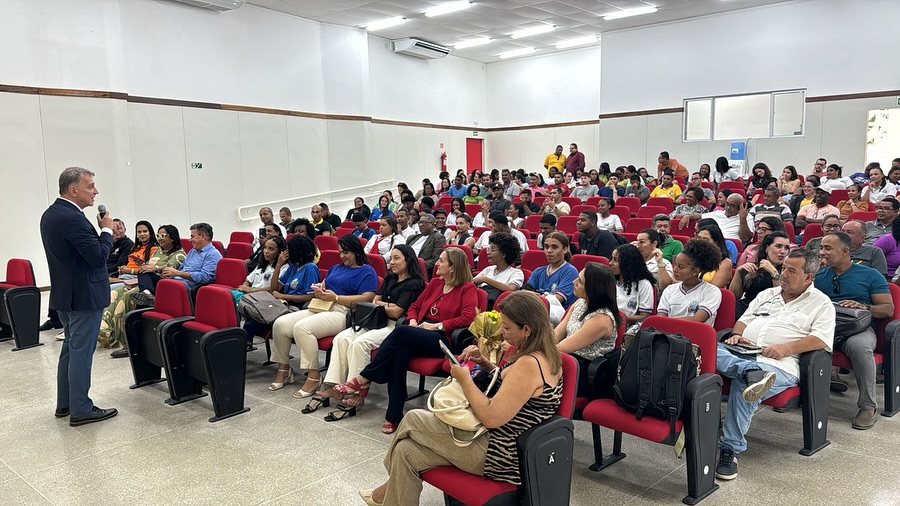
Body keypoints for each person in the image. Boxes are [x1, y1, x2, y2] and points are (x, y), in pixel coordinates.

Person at [359, 291, 561, 505]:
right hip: (499, 443)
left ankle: (384, 492)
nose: (502, 332)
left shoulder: (529, 364)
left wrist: (465, 379)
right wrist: (485, 363)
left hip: (499, 453)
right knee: (405, 451)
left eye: (507, 327)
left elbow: (492, 417)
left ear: (527, 329)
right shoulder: (543, 353)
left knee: (413, 419)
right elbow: (513, 388)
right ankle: (387, 494)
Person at [715, 248, 835, 481]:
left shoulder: (821, 304)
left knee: (746, 385)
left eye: (792, 271)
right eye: (783, 269)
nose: (784, 275)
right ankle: (748, 372)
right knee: (701, 350)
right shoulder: (767, 294)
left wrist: (785, 348)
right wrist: (737, 335)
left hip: (780, 364)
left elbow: (821, 339)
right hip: (742, 353)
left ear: (809, 277)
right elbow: (743, 321)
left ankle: (730, 449)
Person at [334, 248, 477, 435]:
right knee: (399, 351)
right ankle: (393, 416)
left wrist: (437, 326)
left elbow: (467, 317)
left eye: (441, 261)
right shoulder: (435, 283)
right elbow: (415, 306)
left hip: (442, 338)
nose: (437, 264)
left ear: (452, 267)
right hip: (418, 332)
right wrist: (413, 321)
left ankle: (363, 377)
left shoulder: (467, 288)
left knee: (400, 332)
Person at [308, 245, 427, 419]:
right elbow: (375, 300)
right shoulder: (390, 278)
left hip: (394, 326)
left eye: (396, 258)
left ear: (408, 260)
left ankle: (358, 393)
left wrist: (383, 306)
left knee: (360, 343)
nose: (391, 263)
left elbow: (397, 312)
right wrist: (387, 305)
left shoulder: (415, 284)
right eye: (391, 259)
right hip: (374, 319)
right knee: (341, 338)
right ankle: (335, 386)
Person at [40, 167, 118, 426]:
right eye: (91, 186)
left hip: (65, 293)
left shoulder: (51, 214)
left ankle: (66, 403)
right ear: (73, 190)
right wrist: (106, 231)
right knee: (81, 352)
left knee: (70, 349)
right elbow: (97, 257)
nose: (95, 191)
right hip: (84, 296)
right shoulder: (73, 218)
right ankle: (82, 408)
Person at [268, 235, 378, 397]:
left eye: (346, 252)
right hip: (322, 306)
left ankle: (313, 376)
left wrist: (336, 297)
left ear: (356, 251)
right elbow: (325, 285)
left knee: (302, 328)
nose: (342, 256)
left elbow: (367, 298)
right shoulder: (336, 268)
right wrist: (319, 288)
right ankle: (284, 369)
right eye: (340, 252)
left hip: (343, 311)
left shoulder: (367, 271)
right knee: (281, 324)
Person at [815, 232, 894, 430]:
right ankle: (798, 393)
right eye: (821, 247)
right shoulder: (819, 275)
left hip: (859, 329)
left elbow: (887, 309)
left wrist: (863, 306)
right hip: (826, 326)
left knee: (859, 347)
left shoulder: (870, 275)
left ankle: (868, 406)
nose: (822, 252)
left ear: (845, 251)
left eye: (827, 248)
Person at [102, 225, 187, 357]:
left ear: (173, 238)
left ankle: (126, 343)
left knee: (127, 298)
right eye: (158, 235)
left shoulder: (179, 253)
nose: (160, 239)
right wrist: (142, 268)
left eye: (163, 236)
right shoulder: (157, 251)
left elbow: (170, 268)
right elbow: (145, 268)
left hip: (159, 285)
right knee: (113, 294)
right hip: (143, 281)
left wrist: (153, 268)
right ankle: (105, 333)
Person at [555, 262, 620, 396]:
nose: (574, 282)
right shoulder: (580, 302)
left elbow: (562, 347)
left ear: (592, 288)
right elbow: (556, 334)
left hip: (585, 371)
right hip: (567, 359)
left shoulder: (602, 319)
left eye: (580, 281)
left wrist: (531, 348)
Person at [657, 239, 723, 326]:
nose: (675, 269)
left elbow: (698, 319)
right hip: (668, 335)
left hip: (694, 336)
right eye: (675, 264)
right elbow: (660, 318)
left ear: (695, 271)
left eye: (680, 267)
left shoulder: (712, 291)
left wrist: (667, 321)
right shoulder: (670, 290)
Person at [237, 235, 290, 343]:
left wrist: (250, 290)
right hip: (250, 296)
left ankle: (240, 342)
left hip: (264, 299)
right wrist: (245, 287)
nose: (266, 251)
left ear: (280, 252)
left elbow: (273, 289)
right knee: (226, 297)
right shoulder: (261, 265)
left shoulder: (284, 268)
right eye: (265, 248)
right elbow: (248, 280)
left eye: (271, 249)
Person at [730, 231, 790, 319]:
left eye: (786, 248)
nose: (783, 251)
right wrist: (738, 273)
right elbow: (734, 296)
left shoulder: (788, 272)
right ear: (766, 248)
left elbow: (781, 298)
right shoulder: (753, 268)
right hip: (746, 307)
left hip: (770, 311)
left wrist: (774, 272)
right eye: (778, 246)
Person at [524, 232, 579, 323]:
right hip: (536, 313)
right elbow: (524, 292)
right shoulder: (538, 271)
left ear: (565, 250)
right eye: (546, 247)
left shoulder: (570, 271)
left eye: (554, 247)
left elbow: (556, 300)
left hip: (559, 319)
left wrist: (534, 296)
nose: (549, 251)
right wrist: (541, 296)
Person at [160, 223, 221, 290]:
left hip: (190, 287)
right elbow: (181, 267)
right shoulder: (193, 251)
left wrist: (177, 273)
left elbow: (204, 277)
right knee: (150, 276)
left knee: (162, 286)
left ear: (203, 236)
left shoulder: (213, 254)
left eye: (192, 237)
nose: (190, 240)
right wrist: (171, 275)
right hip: (177, 281)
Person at [609, 244, 655, 332]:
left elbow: (645, 316)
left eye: (616, 260)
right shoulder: (610, 280)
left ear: (628, 263)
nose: (610, 263)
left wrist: (620, 318)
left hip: (628, 327)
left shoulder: (643, 284)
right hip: (606, 323)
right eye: (611, 259)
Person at [473, 232, 524, 309]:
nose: (488, 253)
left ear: (503, 254)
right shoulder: (488, 270)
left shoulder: (516, 272)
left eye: (492, 249)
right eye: (488, 249)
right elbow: (473, 282)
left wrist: (485, 279)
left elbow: (511, 289)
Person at [696, 224, 734, 288]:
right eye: (698, 238)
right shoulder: (690, 256)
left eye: (705, 239)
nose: (700, 242)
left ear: (716, 243)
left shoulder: (725, 263)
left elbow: (714, 288)